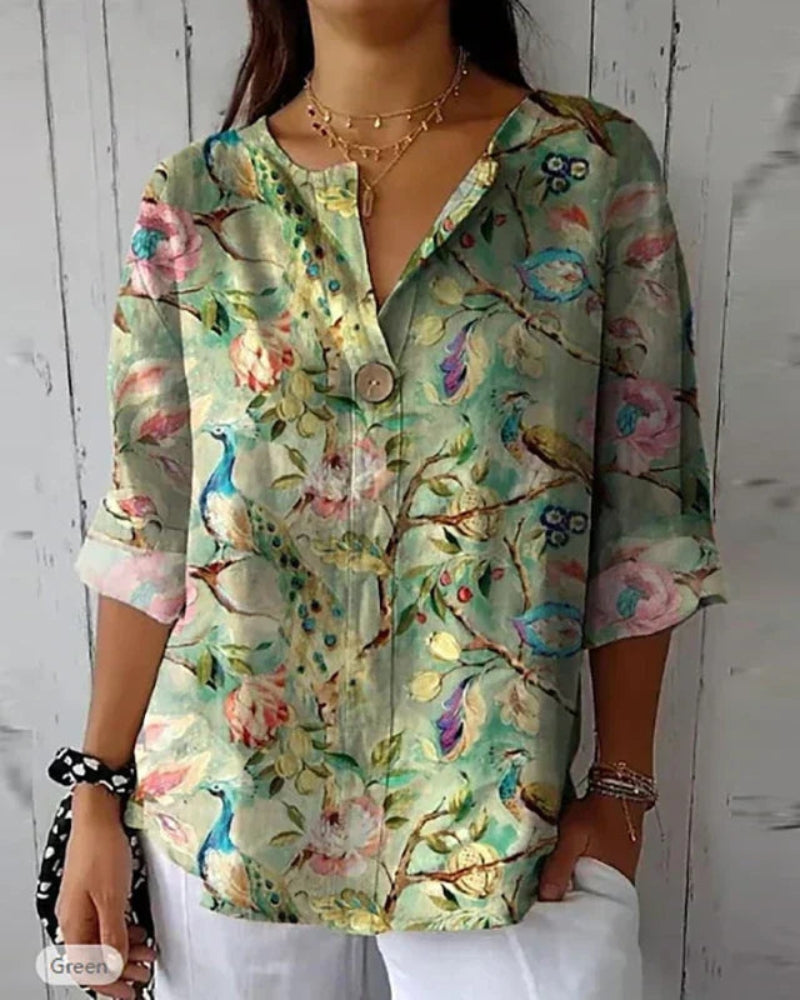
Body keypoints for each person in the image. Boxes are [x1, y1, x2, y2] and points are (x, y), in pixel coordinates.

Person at [47, 1, 727, 998]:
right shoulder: (200, 198)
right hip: (228, 805)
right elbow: (148, 518)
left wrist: (621, 787)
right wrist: (98, 798)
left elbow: (647, 504)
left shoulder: (586, 169)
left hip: (506, 821)